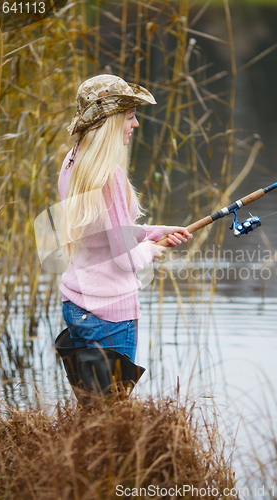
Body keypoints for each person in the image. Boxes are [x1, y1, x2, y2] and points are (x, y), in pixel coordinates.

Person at [58, 74, 192, 366]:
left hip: (76, 304)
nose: (136, 124)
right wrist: (152, 250)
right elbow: (124, 258)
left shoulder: (72, 162)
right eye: (130, 116)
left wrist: (155, 232)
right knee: (113, 407)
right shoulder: (110, 176)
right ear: (109, 121)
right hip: (110, 313)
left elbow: (100, 236)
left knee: (93, 404)